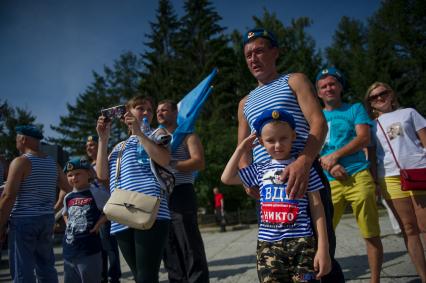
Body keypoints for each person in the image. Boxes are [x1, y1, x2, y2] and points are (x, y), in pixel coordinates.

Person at [238, 28, 344, 282]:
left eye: (259, 51)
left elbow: (318, 123)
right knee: (279, 256)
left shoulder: (294, 80)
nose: (253, 58)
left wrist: (304, 161)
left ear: (275, 52)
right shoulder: (244, 102)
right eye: (248, 55)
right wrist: (246, 179)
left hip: (304, 176)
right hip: (268, 186)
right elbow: (243, 144)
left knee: (320, 255)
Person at [222, 109, 331, 282]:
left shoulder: (304, 169)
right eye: (270, 140)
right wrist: (241, 148)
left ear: (293, 136)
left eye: (283, 138)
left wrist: (323, 247)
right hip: (268, 246)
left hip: (303, 243)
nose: (278, 145)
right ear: (260, 142)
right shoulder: (259, 169)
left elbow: (317, 208)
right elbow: (226, 178)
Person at [316, 67, 383, 283]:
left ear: (340, 86)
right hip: (327, 181)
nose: (329, 88)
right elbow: (309, 149)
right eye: (323, 86)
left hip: (358, 176)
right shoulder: (315, 117)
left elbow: (364, 138)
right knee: (322, 236)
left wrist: (335, 156)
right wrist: (329, 166)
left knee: (370, 232)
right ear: (317, 92)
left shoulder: (355, 109)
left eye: (333, 83)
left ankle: (374, 280)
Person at [96, 95, 172, 283]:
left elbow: (164, 159)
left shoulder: (157, 134)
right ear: (125, 115)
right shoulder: (118, 147)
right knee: (139, 277)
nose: (146, 112)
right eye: (140, 108)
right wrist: (103, 140)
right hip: (121, 216)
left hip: (151, 212)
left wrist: (140, 133)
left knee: (147, 276)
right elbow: (102, 175)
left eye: (149, 109)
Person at [364, 82, 426, 282]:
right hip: (389, 176)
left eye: (383, 93)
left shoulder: (409, 113)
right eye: (374, 97)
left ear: (392, 95)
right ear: (370, 103)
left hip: (418, 171)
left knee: (425, 226)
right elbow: (372, 156)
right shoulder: (371, 125)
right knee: (409, 228)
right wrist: (374, 181)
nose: (379, 98)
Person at [0, 125, 70, 283]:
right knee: (46, 266)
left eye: (16, 140)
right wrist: (57, 206)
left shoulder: (20, 162)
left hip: (23, 221)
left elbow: (8, 196)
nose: (16, 143)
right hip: (46, 219)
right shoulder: (53, 163)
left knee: (22, 270)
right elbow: (68, 188)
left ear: (23, 139)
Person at [156, 100, 209, 283]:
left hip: (181, 193)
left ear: (174, 113)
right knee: (169, 248)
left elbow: (199, 162)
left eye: (164, 110)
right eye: (157, 110)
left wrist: (169, 163)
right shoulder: (154, 138)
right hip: (160, 197)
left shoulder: (187, 134)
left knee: (189, 245)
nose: (159, 113)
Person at [62, 157, 110, 283]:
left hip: (89, 250)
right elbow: (65, 213)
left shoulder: (96, 193)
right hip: (69, 251)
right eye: (70, 175)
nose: (74, 178)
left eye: (78, 173)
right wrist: (68, 225)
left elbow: (113, 208)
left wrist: (100, 223)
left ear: (88, 173)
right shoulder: (68, 197)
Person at [86, 135, 122, 283]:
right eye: (87, 145)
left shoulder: (105, 163)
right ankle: (102, 278)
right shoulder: (87, 166)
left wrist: (95, 176)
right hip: (93, 213)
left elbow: (109, 186)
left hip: (106, 212)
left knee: (109, 248)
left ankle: (114, 277)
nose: (89, 147)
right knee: (99, 249)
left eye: (92, 145)